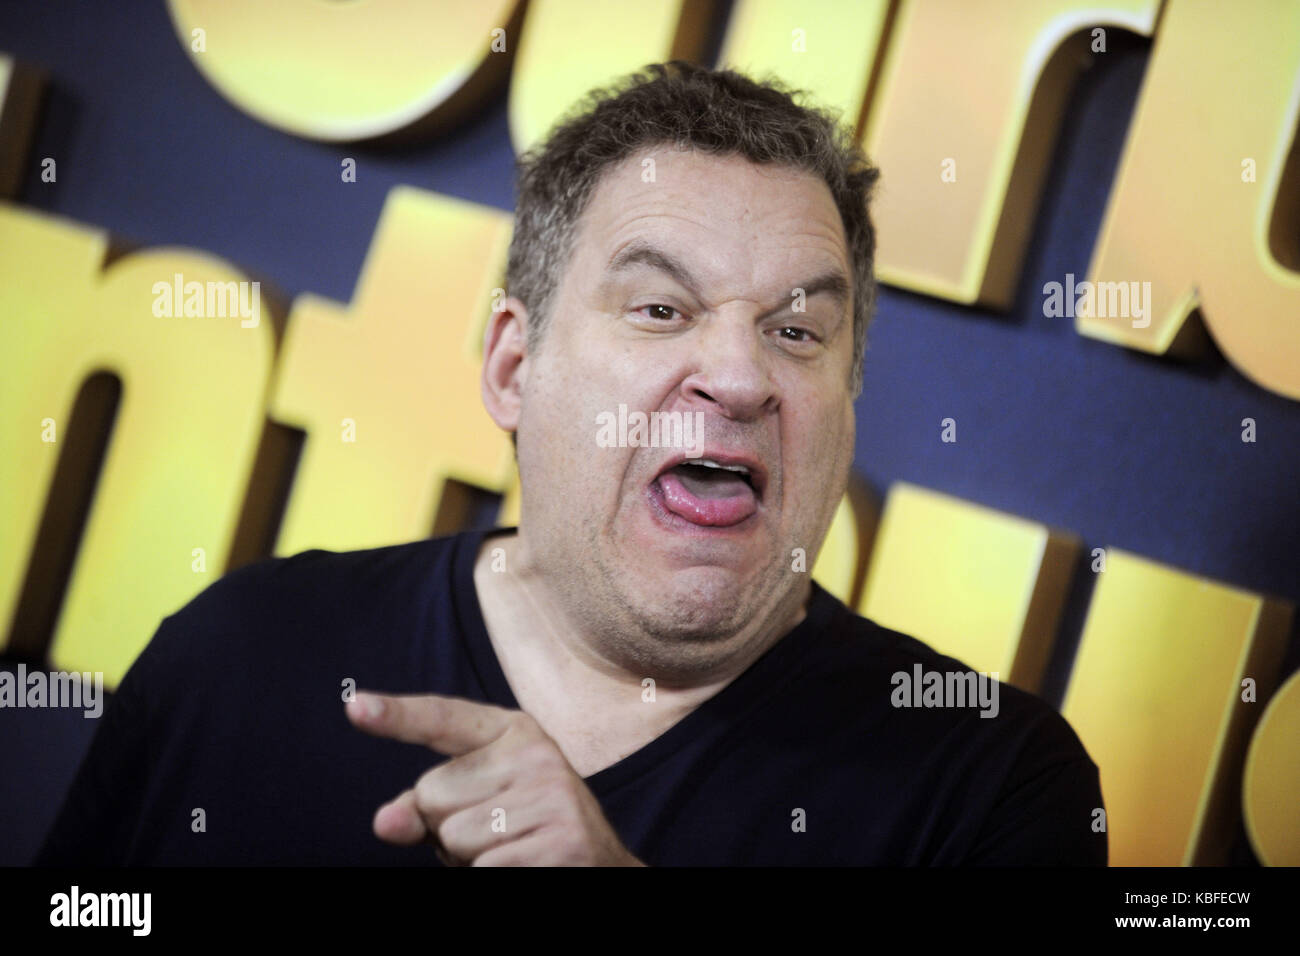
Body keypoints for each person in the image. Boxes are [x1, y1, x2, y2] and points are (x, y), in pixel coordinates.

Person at [35, 61, 1105, 867]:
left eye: (795, 331)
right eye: (659, 308)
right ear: (513, 363)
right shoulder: (241, 651)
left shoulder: (989, 787)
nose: (736, 377)